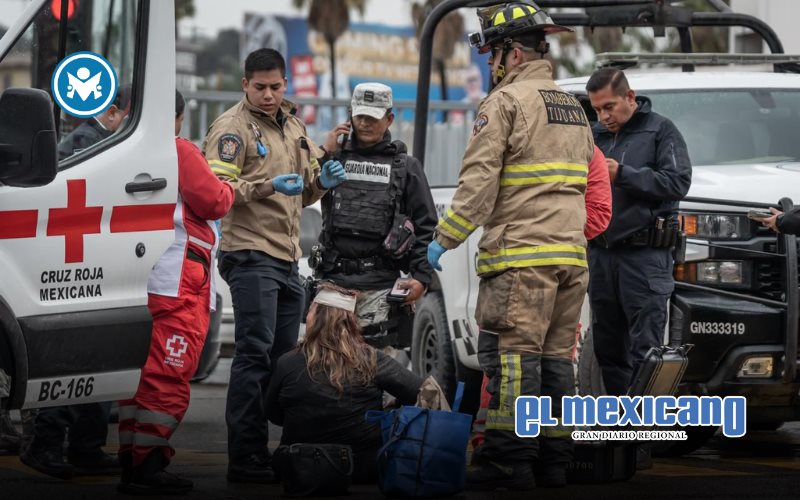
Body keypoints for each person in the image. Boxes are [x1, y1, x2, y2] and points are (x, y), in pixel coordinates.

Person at [427, 2, 594, 490]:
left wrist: (443, 239)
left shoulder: (504, 104)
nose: (489, 65)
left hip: (522, 259)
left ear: (513, 54)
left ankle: (510, 462)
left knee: (514, 363)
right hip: (569, 257)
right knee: (558, 363)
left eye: (492, 55)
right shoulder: (572, 109)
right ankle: (554, 463)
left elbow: (477, 187)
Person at [202, 48, 347, 484]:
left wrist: (322, 180)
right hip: (249, 253)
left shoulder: (294, 126)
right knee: (253, 355)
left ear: (286, 85)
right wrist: (266, 186)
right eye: (260, 87)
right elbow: (217, 190)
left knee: (283, 360)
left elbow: (301, 193)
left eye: (275, 87)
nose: (268, 95)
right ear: (245, 84)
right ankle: (244, 456)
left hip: (286, 259)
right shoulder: (232, 127)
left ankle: (275, 452)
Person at [116, 90, 234, 495]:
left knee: (142, 376)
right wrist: (231, 187)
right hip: (179, 279)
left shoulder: (120, 149)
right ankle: (147, 464)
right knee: (168, 373)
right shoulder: (179, 151)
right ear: (178, 118)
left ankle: (131, 458)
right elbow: (215, 201)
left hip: (141, 276)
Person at [19, 84, 135, 481]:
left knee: (100, 359)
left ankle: (87, 447)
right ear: (118, 112)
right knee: (75, 361)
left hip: (95, 261)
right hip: (76, 263)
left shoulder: (106, 142)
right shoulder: (86, 143)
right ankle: (46, 445)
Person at [585, 68, 692, 397]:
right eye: (597, 109)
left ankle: (642, 438)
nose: (604, 117)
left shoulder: (660, 129)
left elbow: (677, 182)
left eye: (610, 107)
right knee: (608, 348)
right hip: (601, 256)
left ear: (630, 98)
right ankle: (620, 425)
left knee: (645, 350)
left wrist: (624, 175)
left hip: (644, 258)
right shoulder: (593, 136)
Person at [314, 82, 437, 347]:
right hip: (334, 284)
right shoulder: (332, 159)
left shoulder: (407, 167)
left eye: (373, 117)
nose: (365, 123)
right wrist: (323, 155)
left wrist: (421, 278)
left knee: (372, 374)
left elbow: (426, 226)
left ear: (389, 118)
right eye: (360, 116)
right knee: (324, 370)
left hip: (381, 287)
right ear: (350, 115)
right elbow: (302, 196)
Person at [266, 282, 423, 483]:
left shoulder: (287, 362)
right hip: (362, 470)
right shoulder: (372, 359)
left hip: (299, 467)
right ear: (351, 321)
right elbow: (423, 394)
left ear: (314, 318)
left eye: (311, 309)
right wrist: (393, 410)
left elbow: (273, 413)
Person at [58, 84, 133, 159]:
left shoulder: (93, 134)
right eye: (129, 118)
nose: (130, 124)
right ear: (111, 113)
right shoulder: (88, 138)